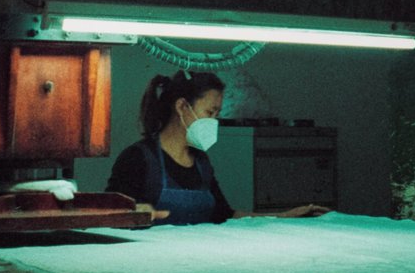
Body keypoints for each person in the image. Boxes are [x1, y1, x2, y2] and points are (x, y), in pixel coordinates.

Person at [106, 70, 331, 225]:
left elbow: (225, 215)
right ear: (182, 106)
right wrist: (133, 214)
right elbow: (106, 216)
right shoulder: (137, 159)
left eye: (217, 114)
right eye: (209, 112)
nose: (214, 121)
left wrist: (282, 217)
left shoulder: (201, 163)